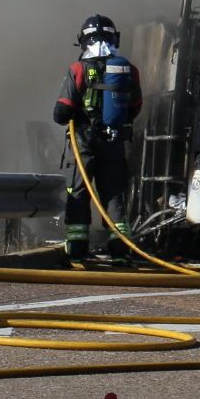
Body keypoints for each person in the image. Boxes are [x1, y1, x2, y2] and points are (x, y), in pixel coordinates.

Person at [53, 14, 143, 262]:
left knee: (78, 193)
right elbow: (135, 106)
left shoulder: (78, 69)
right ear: (115, 38)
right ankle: (120, 250)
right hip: (114, 145)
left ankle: (77, 250)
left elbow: (61, 112)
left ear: (84, 40)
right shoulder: (128, 70)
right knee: (114, 195)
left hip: (83, 144)